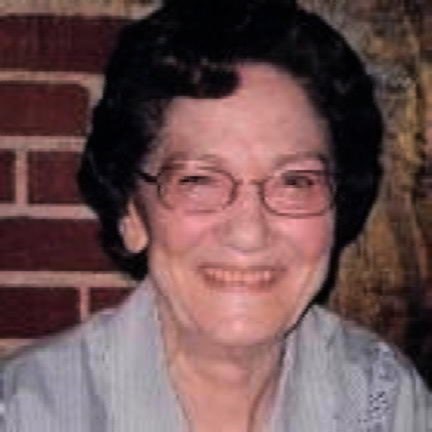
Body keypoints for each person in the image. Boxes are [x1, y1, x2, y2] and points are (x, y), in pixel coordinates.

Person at [0, 0, 430, 430]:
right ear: (131, 212)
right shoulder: (25, 412)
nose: (249, 233)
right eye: (198, 180)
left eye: (295, 181)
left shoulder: (383, 397)